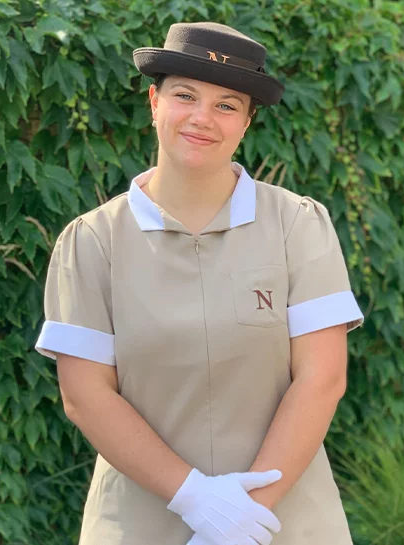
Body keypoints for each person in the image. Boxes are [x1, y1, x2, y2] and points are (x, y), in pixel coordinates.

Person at [35, 21, 364, 545]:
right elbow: (85, 395)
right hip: (141, 523)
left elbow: (322, 379)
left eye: (227, 105)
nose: (202, 118)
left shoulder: (298, 225)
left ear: (247, 122)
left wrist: (243, 520)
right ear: (154, 102)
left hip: (285, 523)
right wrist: (195, 499)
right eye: (185, 96)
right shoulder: (90, 242)